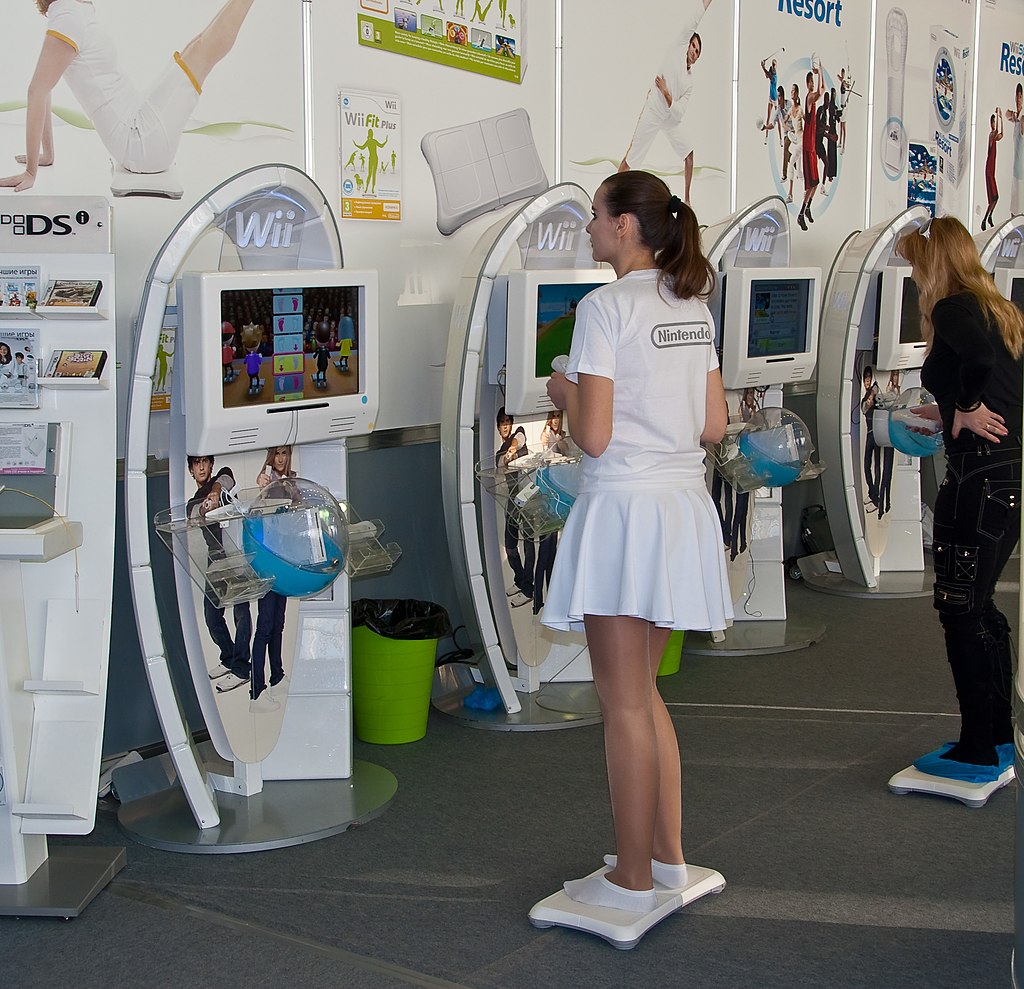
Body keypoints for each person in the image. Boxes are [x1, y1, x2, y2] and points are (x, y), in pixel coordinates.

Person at [541, 170, 731, 914]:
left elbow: (593, 433)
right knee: (644, 695)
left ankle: (630, 880)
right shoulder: (693, 306)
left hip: (624, 512)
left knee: (621, 703)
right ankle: (666, 859)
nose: (588, 228)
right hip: (681, 509)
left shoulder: (602, 308)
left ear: (625, 227)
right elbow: (713, 425)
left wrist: (563, 394)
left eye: (594, 216)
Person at [895, 217, 1023, 774]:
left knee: (960, 610)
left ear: (932, 262)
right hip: (1010, 472)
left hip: (977, 479)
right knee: (983, 605)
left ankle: (975, 747)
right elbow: (1002, 382)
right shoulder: (998, 308)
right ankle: (996, 735)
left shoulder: (951, 308)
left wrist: (966, 407)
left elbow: (979, 366)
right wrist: (949, 410)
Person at [2, 0, 257, 193]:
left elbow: (44, 89)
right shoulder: (67, 16)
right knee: (201, 51)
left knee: (196, 47)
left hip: (139, 126)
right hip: (139, 143)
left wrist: (47, 155)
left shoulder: (74, 11)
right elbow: (38, 91)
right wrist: (31, 171)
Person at [618, 0, 713, 206]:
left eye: (698, 52)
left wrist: (668, 94)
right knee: (631, 160)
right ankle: (611, 197)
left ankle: (687, 199)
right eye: (694, 47)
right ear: (687, 44)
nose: (694, 53)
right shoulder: (678, 47)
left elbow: (679, 114)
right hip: (654, 108)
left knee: (689, 154)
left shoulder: (690, 81)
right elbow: (696, 18)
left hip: (669, 115)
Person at [186, 455, 252, 693]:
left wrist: (215, 492)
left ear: (210, 465)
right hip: (216, 559)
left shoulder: (221, 478)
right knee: (212, 615)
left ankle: (242, 669)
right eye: (196, 463)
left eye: (205, 462)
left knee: (241, 613)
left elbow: (226, 478)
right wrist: (206, 505)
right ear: (191, 470)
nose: (202, 467)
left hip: (236, 552)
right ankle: (230, 657)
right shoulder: (192, 502)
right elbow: (194, 514)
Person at [249, 446, 296, 710]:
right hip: (267, 563)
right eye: (276, 454)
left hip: (285, 563)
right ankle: (257, 690)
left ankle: (277, 676)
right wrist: (262, 489)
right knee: (265, 626)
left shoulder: (292, 482)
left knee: (278, 623)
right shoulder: (264, 481)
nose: (280, 459)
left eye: (284, 453)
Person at [496, 407, 534, 607]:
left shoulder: (517, 438)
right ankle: (520, 580)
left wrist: (513, 448)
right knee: (511, 546)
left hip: (527, 496)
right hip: (512, 500)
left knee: (528, 543)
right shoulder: (498, 453)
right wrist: (506, 456)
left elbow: (520, 436)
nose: (505, 426)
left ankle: (529, 588)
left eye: (507, 422)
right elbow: (501, 463)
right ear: (497, 427)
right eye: (502, 423)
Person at [797, 64, 823, 231]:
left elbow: (822, 89)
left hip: (812, 144)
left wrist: (820, 71)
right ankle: (801, 213)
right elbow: (820, 92)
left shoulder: (812, 97)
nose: (813, 83)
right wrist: (820, 70)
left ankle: (807, 208)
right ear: (807, 83)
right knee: (811, 182)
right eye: (811, 81)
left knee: (816, 182)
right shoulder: (809, 98)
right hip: (808, 145)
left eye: (814, 81)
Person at [982, 108, 1003, 231]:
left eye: (994, 122)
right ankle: (985, 219)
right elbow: (997, 133)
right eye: (993, 123)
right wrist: (998, 115)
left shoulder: (994, 136)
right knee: (993, 197)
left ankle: (988, 217)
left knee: (996, 197)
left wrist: (1000, 119)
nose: (994, 125)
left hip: (992, 170)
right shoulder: (991, 135)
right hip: (989, 170)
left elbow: (1002, 135)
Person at [1007, 84, 1024, 217]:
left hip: (1021, 173)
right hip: (1016, 171)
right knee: (1014, 211)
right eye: (1016, 96)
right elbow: (1008, 115)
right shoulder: (1017, 116)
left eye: (1020, 96)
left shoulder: (1022, 119)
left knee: (1017, 212)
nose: (1018, 100)